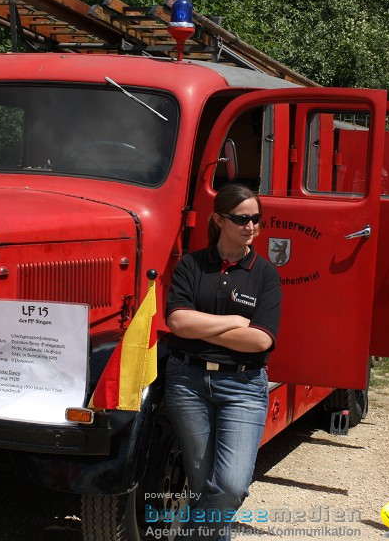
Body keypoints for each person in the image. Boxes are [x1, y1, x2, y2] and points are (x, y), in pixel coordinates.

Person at [164, 184, 282, 540]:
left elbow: (261, 339)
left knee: (231, 486)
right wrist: (234, 322)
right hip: (187, 382)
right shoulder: (192, 265)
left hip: (243, 387)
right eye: (241, 218)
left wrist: (199, 329)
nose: (251, 226)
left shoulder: (265, 275)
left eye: (256, 219)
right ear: (219, 219)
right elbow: (176, 322)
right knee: (201, 485)